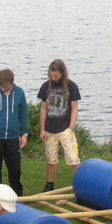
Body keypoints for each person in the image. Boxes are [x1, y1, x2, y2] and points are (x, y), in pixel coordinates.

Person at [0, 69, 29, 195]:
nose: (3, 89)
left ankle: (17, 195)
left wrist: (24, 133)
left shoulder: (19, 93)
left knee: (15, 168)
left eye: (6, 87)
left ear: (12, 83)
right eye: (1, 87)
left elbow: (23, 114)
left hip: (13, 137)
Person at [37, 59, 82, 192]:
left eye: (56, 76)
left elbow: (74, 108)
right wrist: (42, 129)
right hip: (50, 129)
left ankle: (81, 184)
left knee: (73, 159)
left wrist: (71, 127)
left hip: (65, 129)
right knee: (51, 159)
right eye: (51, 76)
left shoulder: (71, 86)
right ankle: (49, 185)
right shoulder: (46, 86)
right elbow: (43, 108)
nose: (53, 78)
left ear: (62, 73)